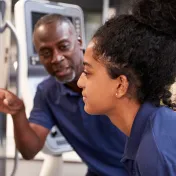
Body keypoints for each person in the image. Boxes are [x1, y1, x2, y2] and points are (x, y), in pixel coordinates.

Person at [0, 14, 128, 176]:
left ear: (79, 43)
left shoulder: (112, 74)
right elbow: (29, 151)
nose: (56, 58)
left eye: (63, 46)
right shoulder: (47, 92)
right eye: (46, 53)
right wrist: (18, 113)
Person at [77, 0, 176, 175]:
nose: (80, 82)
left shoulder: (154, 155)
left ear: (121, 85)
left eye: (87, 72)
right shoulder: (156, 128)